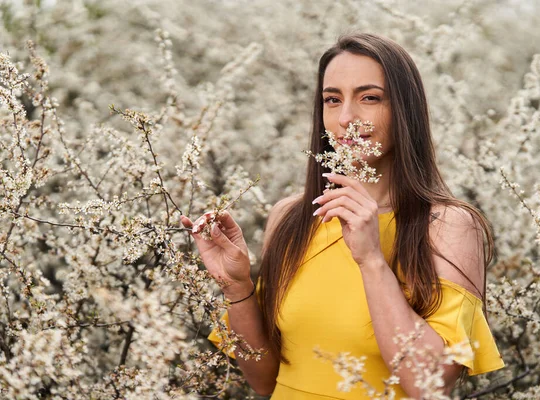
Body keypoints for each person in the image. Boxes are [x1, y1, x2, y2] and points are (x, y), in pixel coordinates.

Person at [180, 33, 504, 399]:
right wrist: (236, 288)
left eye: (369, 98)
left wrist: (371, 260)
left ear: (405, 110)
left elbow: (428, 384)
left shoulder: (448, 226)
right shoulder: (290, 217)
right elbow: (264, 380)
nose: (346, 117)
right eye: (332, 100)